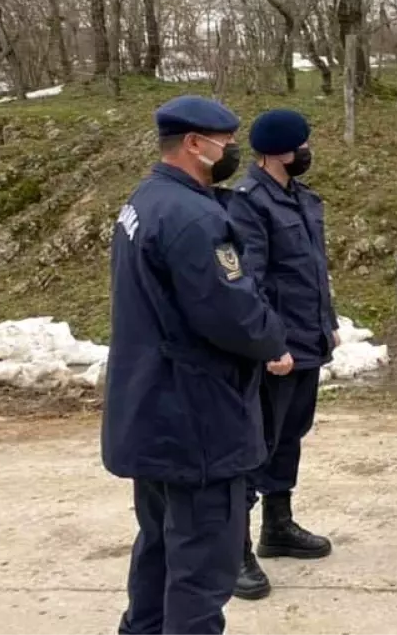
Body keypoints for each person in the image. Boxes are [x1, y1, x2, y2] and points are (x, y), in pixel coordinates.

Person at [102, 95, 291, 635]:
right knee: (203, 569)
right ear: (194, 144)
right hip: (197, 422)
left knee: (159, 550)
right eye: (227, 142)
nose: (232, 151)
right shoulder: (195, 217)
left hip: (154, 412)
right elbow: (232, 313)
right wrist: (275, 339)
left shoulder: (145, 200)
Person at [228, 109, 337, 601]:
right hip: (279, 350)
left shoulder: (303, 199)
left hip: (307, 342)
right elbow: (252, 281)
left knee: (290, 435)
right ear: (277, 153)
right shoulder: (250, 205)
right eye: (300, 147)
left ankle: (278, 526)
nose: (306, 154)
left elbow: (312, 271)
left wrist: (327, 325)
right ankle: (235, 550)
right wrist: (270, 346)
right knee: (259, 444)